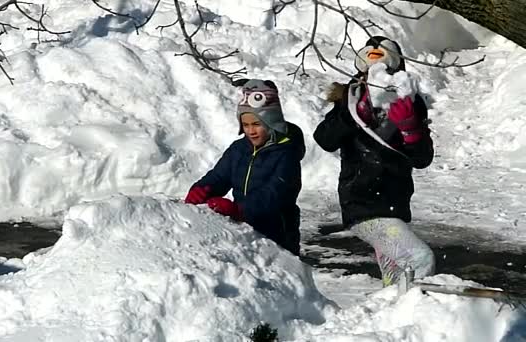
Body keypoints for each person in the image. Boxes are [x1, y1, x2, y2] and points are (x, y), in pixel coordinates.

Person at [313, 36, 435, 286]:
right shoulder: (350, 99)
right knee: (420, 259)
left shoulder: (409, 101)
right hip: (362, 203)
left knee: (396, 277)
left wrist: (411, 129)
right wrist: (354, 115)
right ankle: (416, 314)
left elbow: (422, 159)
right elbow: (325, 139)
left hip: (396, 204)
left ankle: (391, 318)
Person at [185, 79, 305, 256]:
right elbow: (219, 176)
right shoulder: (239, 149)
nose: (251, 131)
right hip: (246, 233)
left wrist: (240, 210)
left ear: (272, 123)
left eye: (257, 124)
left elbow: (275, 194)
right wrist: (202, 189)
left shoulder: (286, 153)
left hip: (279, 236)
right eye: (246, 125)